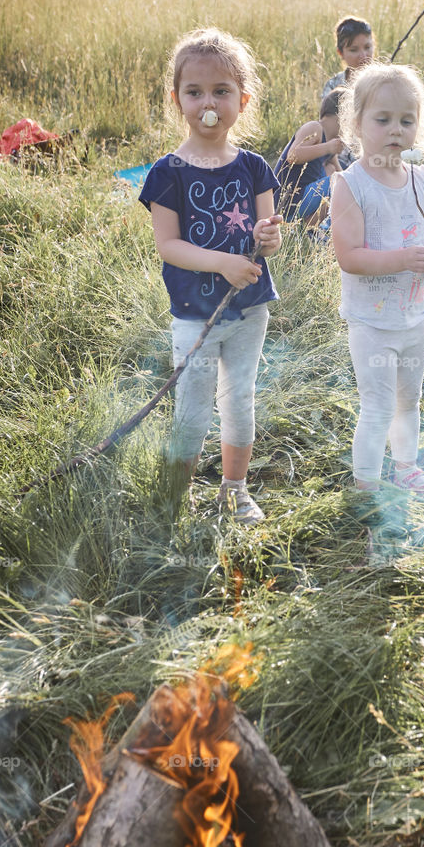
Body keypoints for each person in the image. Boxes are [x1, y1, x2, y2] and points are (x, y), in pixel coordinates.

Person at [139, 28, 282, 524]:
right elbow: (169, 245)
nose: (208, 103)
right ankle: (175, 497)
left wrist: (267, 238)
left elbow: (269, 236)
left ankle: (234, 490)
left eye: (221, 91)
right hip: (195, 315)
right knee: (193, 406)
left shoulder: (255, 167)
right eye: (195, 91)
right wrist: (221, 261)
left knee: (239, 399)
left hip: (248, 310)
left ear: (242, 100)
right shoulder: (167, 173)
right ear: (176, 98)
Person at [330, 62, 424, 493]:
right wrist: (404, 258)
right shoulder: (351, 185)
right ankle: (366, 485)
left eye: (407, 120)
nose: (395, 130)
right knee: (379, 404)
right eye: (382, 119)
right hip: (372, 321)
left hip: (415, 315)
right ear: (357, 123)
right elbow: (349, 257)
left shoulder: (421, 180)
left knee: (409, 399)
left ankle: (406, 468)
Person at [274, 89, 344, 227]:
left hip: (303, 205)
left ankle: (307, 231)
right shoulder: (315, 128)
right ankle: (310, 229)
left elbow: (342, 174)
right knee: (338, 181)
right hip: (288, 202)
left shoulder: (331, 141)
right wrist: (328, 147)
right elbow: (292, 155)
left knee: (334, 172)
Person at [322, 16, 375, 169]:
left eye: (367, 47)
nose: (363, 56)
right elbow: (328, 131)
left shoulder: (383, 83)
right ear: (341, 53)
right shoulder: (333, 85)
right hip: (341, 159)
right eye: (354, 50)